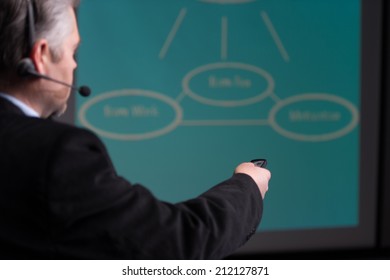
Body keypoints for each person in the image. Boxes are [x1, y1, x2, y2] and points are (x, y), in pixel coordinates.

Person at [0, 0, 271, 259]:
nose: (73, 65)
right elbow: (174, 243)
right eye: (72, 52)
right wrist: (247, 187)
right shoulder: (56, 155)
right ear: (41, 55)